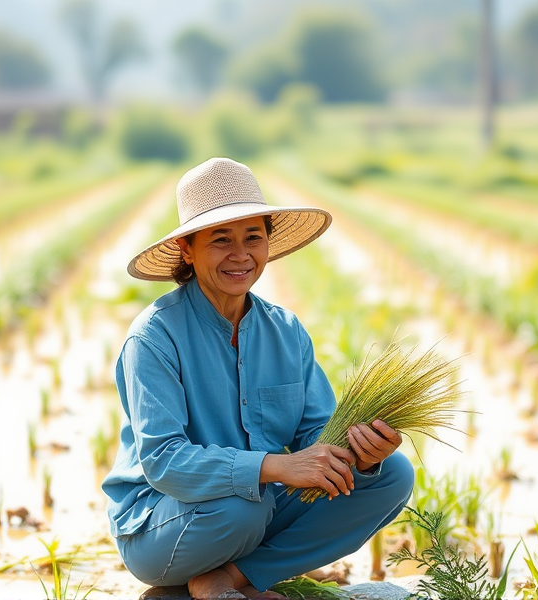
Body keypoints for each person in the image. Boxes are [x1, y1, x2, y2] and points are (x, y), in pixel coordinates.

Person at [102, 157, 415, 600]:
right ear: (187, 250)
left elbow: (317, 436)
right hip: (166, 523)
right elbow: (163, 461)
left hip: (259, 506)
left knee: (392, 475)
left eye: (253, 237)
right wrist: (275, 467)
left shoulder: (286, 332)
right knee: (240, 509)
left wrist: (362, 455)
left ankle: (234, 578)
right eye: (221, 240)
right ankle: (198, 575)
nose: (241, 254)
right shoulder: (154, 336)